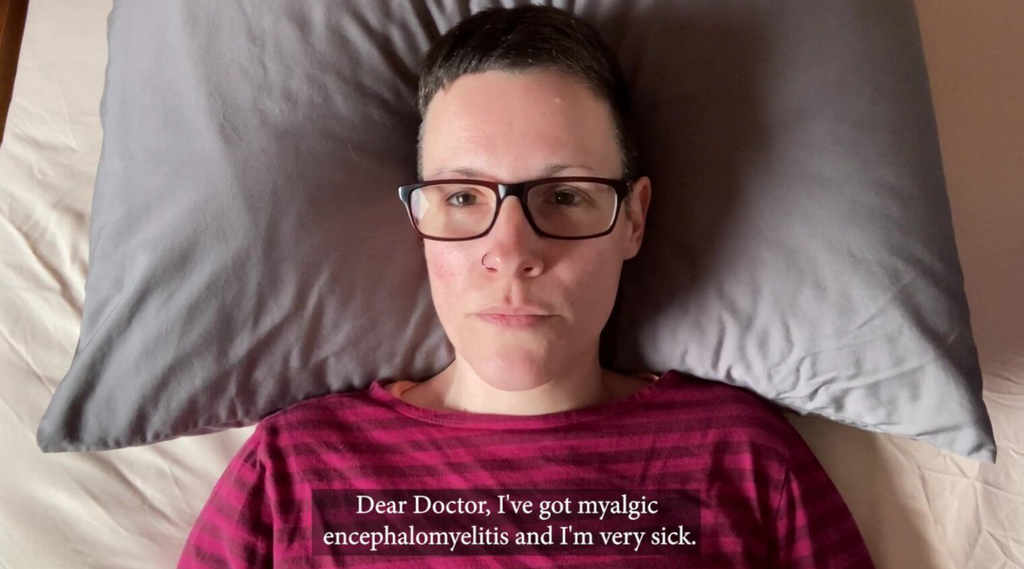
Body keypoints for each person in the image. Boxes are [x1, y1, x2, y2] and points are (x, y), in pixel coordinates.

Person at [178, 5, 876, 568]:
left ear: (632, 219)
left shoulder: (745, 459)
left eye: (566, 196)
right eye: (461, 198)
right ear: (420, 219)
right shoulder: (295, 469)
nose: (510, 251)